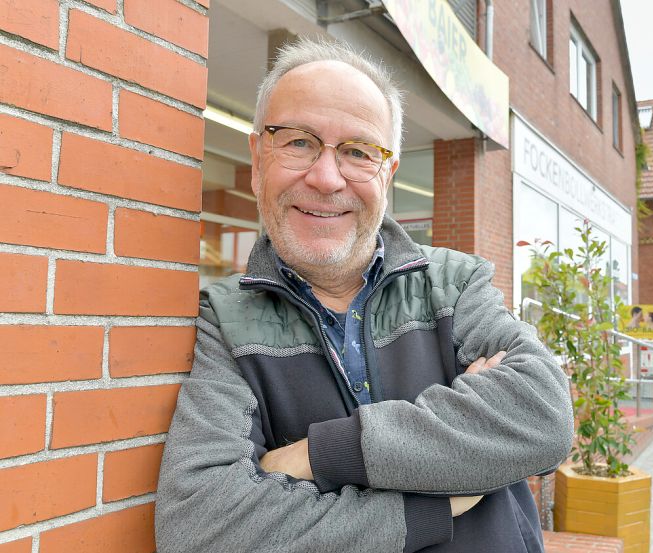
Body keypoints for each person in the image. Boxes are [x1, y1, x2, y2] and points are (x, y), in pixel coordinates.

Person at [155, 38, 574, 552]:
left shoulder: (455, 284)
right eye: (298, 141)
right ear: (259, 155)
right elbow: (200, 526)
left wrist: (321, 455)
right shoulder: (225, 320)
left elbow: (542, 415)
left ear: (388, 172)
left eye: (358, 151)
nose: (327, 177)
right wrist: (430, 504)